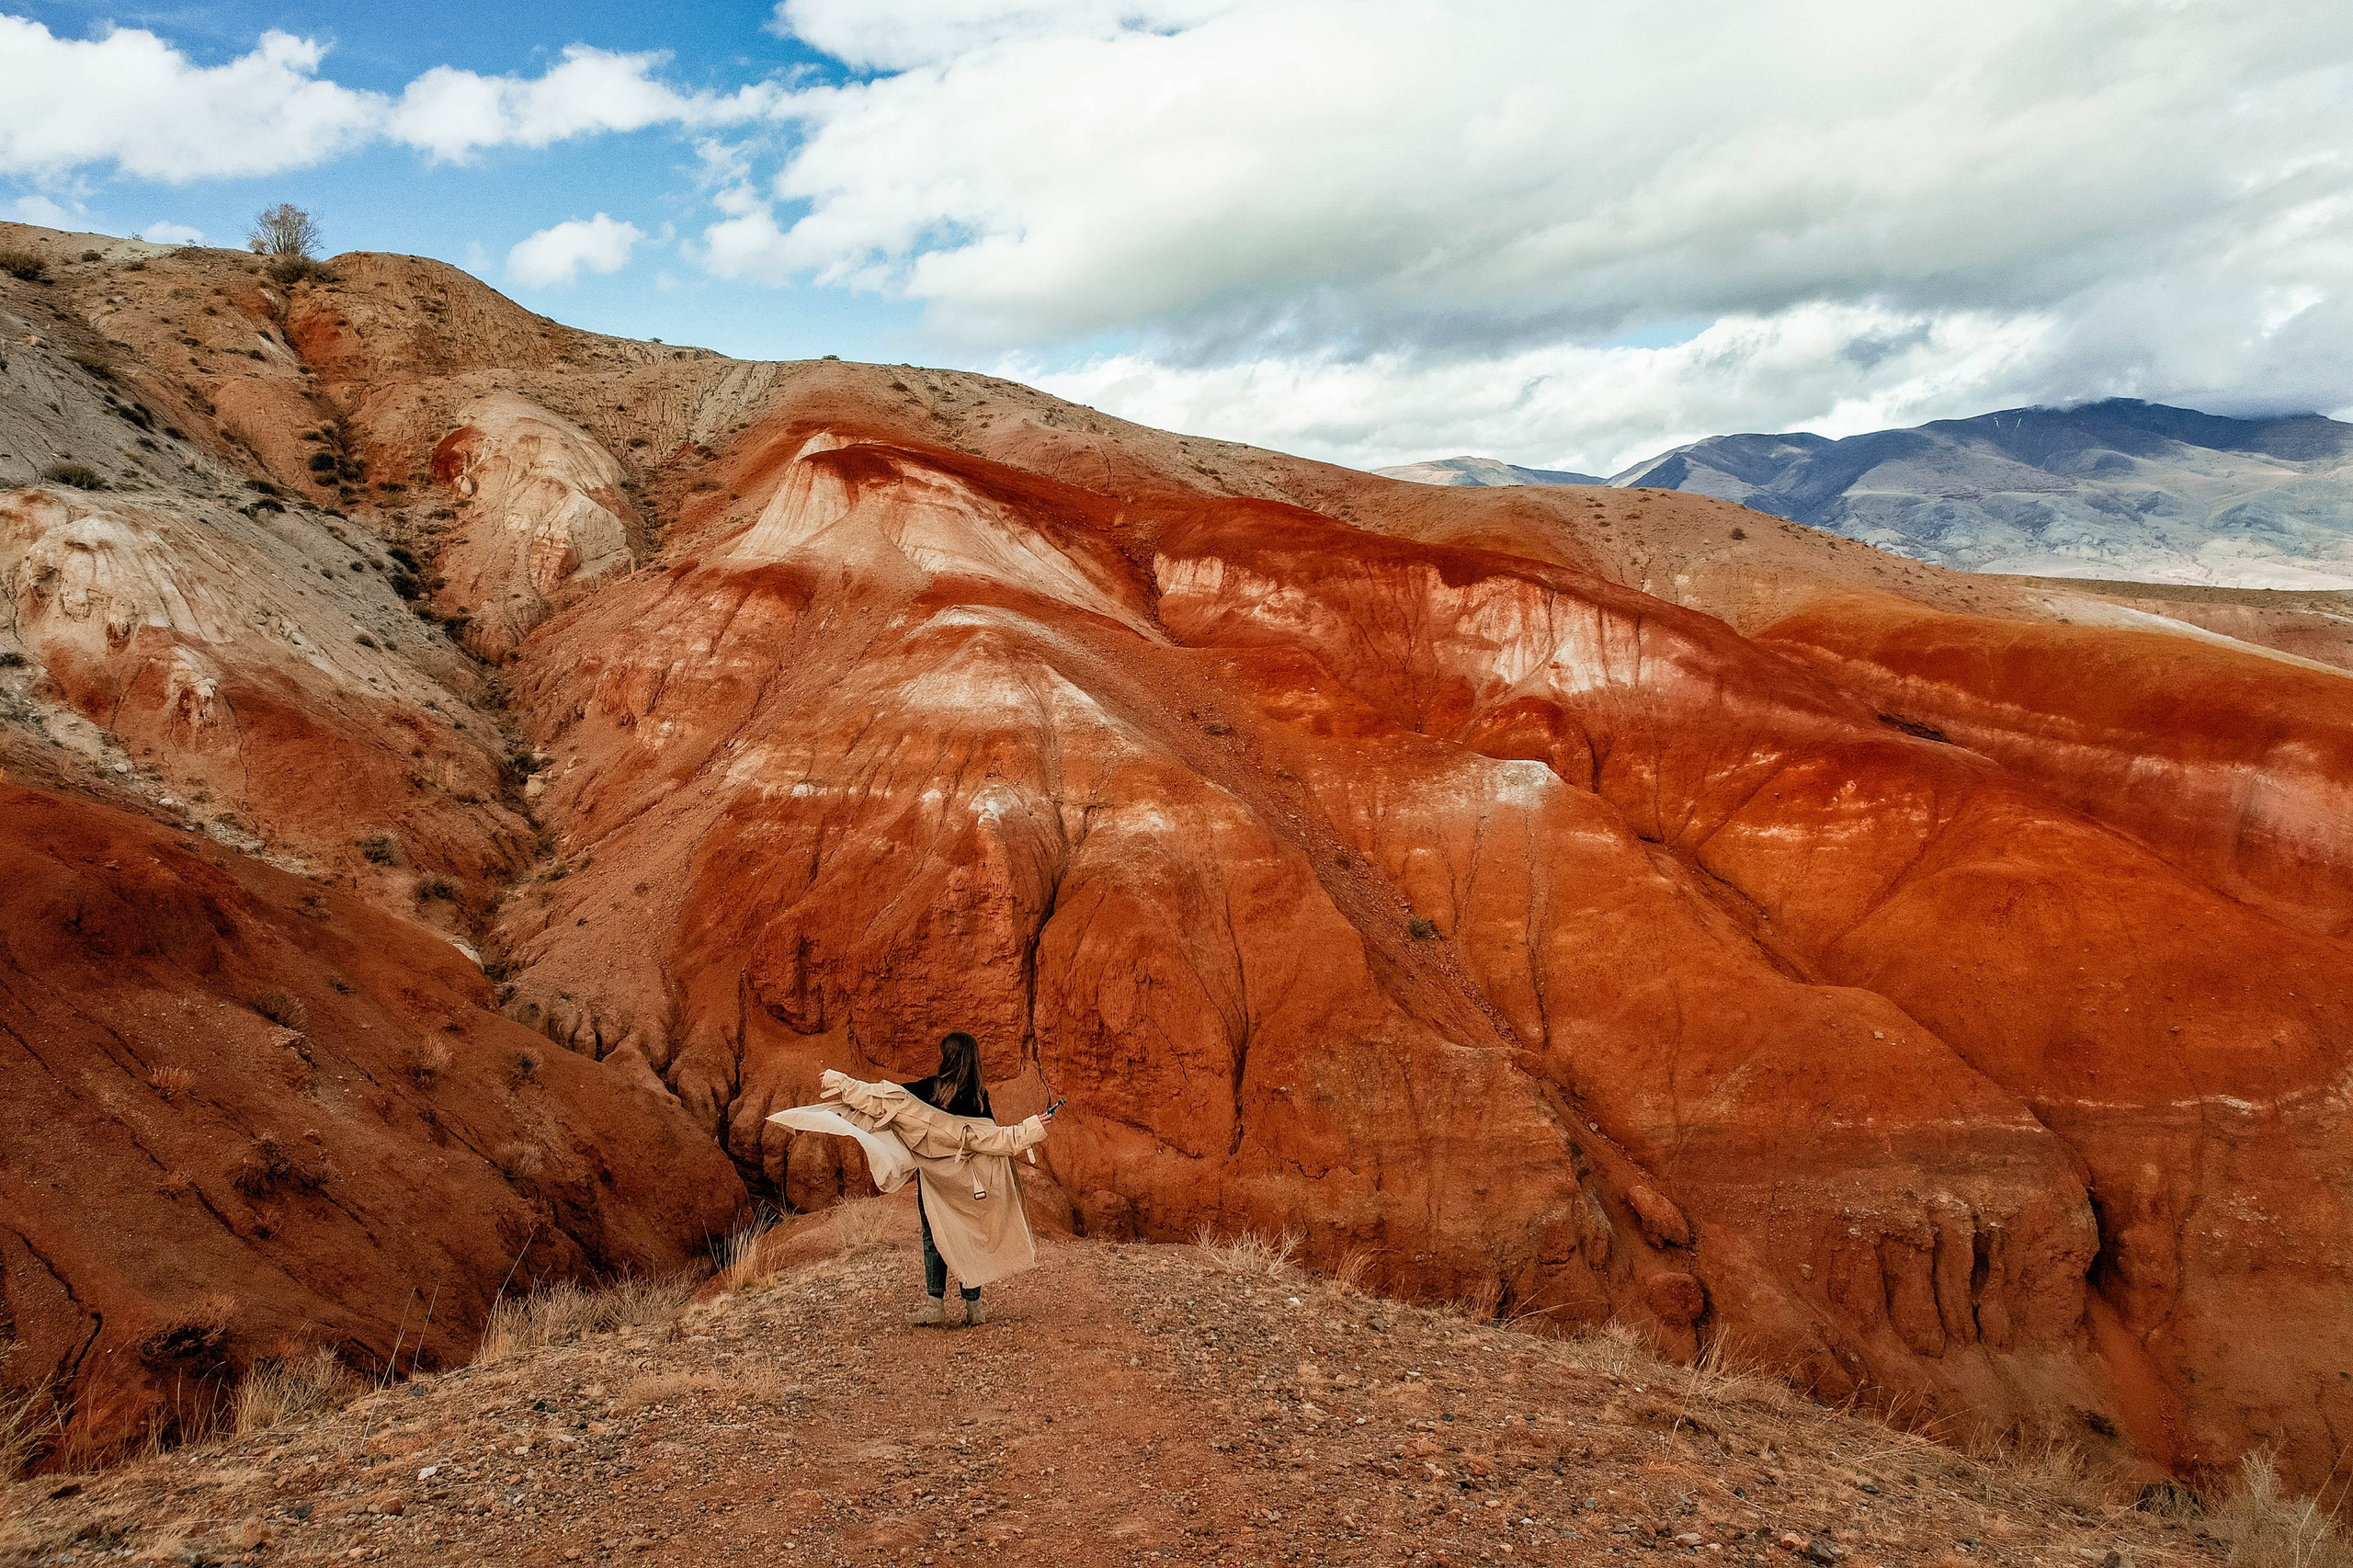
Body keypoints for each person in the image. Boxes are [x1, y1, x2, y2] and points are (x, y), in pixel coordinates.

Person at [901, 1029, 1045, 1327]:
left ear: (949, 1058)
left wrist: (846, 1087)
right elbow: (991, 1139)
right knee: (968, 1234)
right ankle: (974, 1307)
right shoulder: (979, 1096)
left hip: (935, 1179)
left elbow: (891, 1098)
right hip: (968, 1181)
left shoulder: (930, 1089)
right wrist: (1029, 1128)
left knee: (932, 1235)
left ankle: (935, 1305)